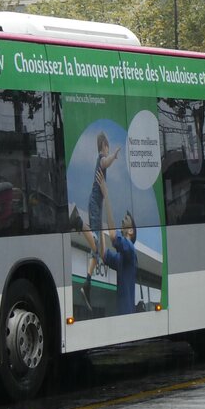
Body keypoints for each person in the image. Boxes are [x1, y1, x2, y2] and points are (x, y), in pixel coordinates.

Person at [81, 132, 121, 310]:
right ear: (104, 145)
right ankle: (78, 223)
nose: (109, 148)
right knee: (97, 245)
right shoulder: (102, 158)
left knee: (98, 253)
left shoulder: (102, 159)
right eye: (108, 146)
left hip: (96, 205)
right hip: (95, 205)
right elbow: (106, 162)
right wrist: (114, 155)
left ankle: (87, 284)